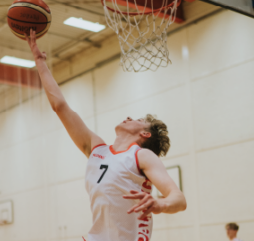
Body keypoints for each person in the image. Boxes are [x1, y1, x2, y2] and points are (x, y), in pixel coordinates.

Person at [25, 29, 187, 241]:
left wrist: (160, 203)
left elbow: (179, 199)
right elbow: (60, 106)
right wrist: (39, 62)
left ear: (145, 134)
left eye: (137, 119)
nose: (129, 116)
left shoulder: (141, 156)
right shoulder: (96, 148)